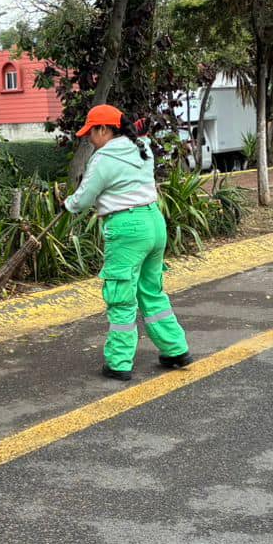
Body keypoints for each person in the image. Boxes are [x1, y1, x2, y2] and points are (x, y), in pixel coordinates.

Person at [64, 104, 193, 382]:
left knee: (121, 296)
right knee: (152, 290)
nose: (89, 139)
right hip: (155, 223)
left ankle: (119, 363)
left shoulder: (103, 158)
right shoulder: (141, 148)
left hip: (127, 228)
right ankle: (175, 349)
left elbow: (84, 198)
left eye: (91, 133)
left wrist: (67, 205)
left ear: (104, 129)